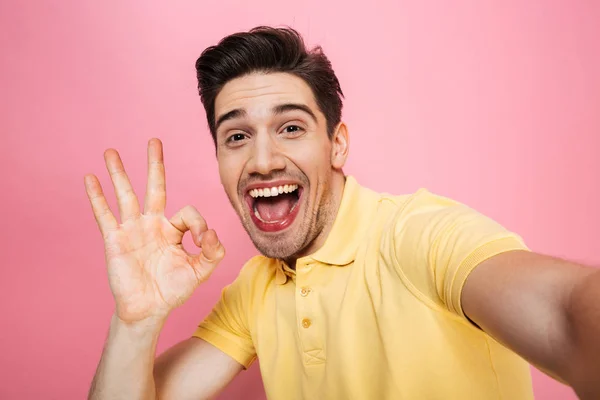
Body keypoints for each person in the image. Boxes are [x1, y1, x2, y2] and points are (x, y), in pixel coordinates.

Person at [85, 26, 599, 400]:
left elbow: (567, 316)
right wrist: (137, 320)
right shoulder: (255, 288)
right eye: (237, 136)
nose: (262, 162)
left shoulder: (418, 236)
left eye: (291, 128)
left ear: (337, 144)